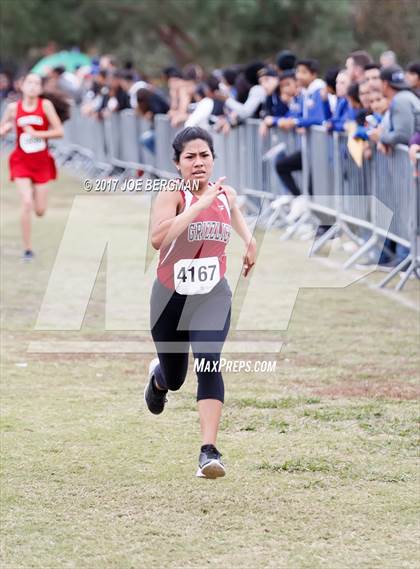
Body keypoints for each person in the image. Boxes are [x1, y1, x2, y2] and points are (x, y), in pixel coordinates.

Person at [145, 126, 257, 479]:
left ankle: (209, 452)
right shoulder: (171, 194)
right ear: (177, 164)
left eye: (204, 156)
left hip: (212, 294)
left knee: (209, 361)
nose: (198, 163)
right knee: (176, 377)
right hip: (170, 298)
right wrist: (200, 205)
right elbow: (158, 239)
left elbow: (235, 209)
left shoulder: (225, 194)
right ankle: (159, 380)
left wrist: (250, 244)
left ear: (213, 160)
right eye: (190, 157)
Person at [0, 73, 64, 261]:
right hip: (21, 161)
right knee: (26, 202)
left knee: (40, 210)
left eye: (37, 83)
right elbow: (3, 128)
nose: (33, 86)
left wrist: (38, 133)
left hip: (42, 162)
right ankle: (27, 250)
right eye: (30, 82)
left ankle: (36, 193)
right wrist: (4, 130)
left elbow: (59, 131)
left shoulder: (45, 106)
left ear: (41, 89)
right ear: (21, 85)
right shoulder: (13, 108)